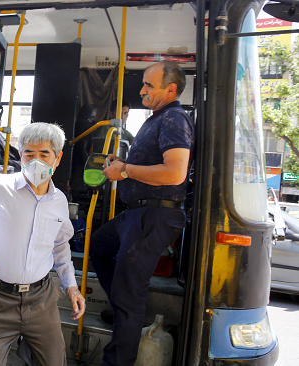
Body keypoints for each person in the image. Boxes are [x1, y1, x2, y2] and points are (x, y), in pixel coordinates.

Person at [0, 122, 86, 366]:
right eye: (29, 153)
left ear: (58, 158)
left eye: (44, 154)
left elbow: (60, 246)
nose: (36, 160)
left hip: (42, 299)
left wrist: (71, 286)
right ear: (20, 154)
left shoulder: (59, 201)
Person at [89, 61, 194, 366]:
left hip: (155, 214)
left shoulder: (175, 118)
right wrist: (121, 163)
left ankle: (118, 356)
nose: (142, 90)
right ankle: (125, 308)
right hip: (138, 212)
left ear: (170, 89)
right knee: (99, 246)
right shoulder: (156, 119)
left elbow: (175, 173)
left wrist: (126, 170)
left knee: (128, 294)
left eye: (149, 85)